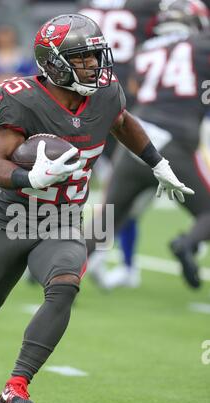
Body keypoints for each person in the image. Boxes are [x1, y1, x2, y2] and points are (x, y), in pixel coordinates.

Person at [0, 13, 193, 403]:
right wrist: (28, 176)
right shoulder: (21, 98)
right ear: (53, 63)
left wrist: (157, 163)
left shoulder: (104, 92)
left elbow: (122, 122)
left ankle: (16, 385)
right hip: (13, 217)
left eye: (95, 56)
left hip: (63, 218)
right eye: (83, 58)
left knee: (66, 283)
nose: (95, 66)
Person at [85, 0, 210, 289]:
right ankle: (187, 243)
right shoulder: (200, 45)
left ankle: (59, 270)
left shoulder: (145, 51)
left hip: (136, 139)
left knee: (107, 219)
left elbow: (139, 91)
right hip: (173, 141)